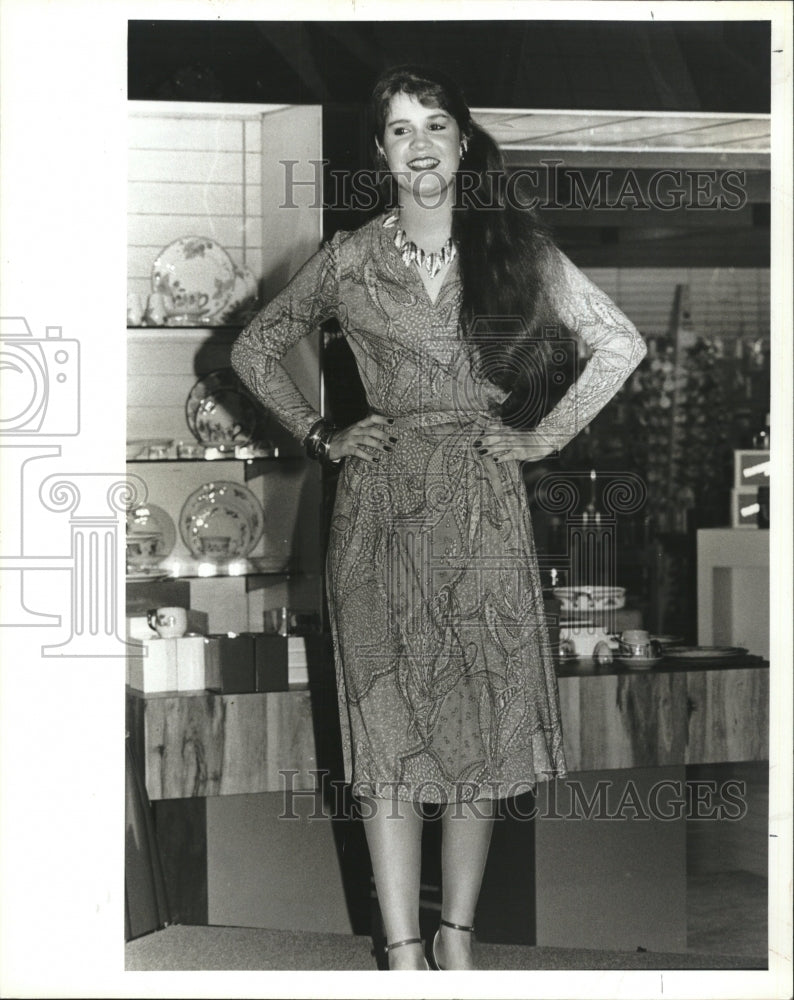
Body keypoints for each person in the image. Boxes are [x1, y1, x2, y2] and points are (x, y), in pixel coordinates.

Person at [231, 64, 646, 971]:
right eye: (398, 130)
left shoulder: (514, 246)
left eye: (435, 126)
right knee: (381, 730)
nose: (419, 144)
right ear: (380, 153)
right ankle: (403, 951)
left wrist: (541, 440)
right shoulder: (348, 258)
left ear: (464, 142)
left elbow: (621, 342)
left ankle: (456, 937)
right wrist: (320, 432)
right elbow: (254, 346)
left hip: (483, 507)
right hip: (377, 512)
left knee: (481, 729)